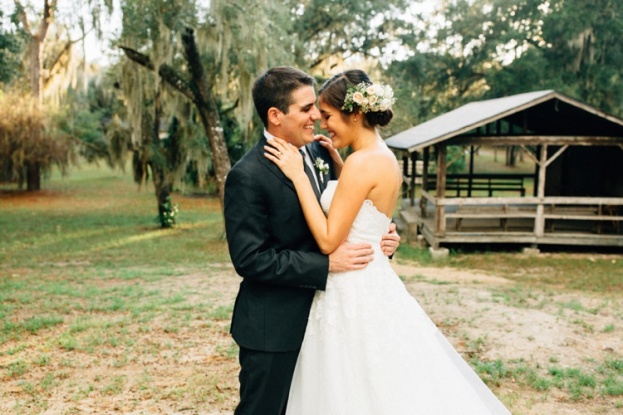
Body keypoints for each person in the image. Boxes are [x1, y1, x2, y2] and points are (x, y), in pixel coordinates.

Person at [265, 69, 512, 414]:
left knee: (349, 384)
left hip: (350, 290)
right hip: (374, 281)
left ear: (354, 113)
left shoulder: (361, 164)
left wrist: (298, 176)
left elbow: (326, 240)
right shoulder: (381, 157)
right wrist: (340, 170)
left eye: (328, 116)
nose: (323, 125)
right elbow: (367, 216)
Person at [223, 66, 400, 415]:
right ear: (276, 116)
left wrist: (385, 234)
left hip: (332, 320)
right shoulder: (247, 175)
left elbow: (354, 206)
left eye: (317, 109)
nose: (317, 117)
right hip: (274, 327)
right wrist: (325, 264)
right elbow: (251, 259)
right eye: (306, 109)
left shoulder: (321, 153)